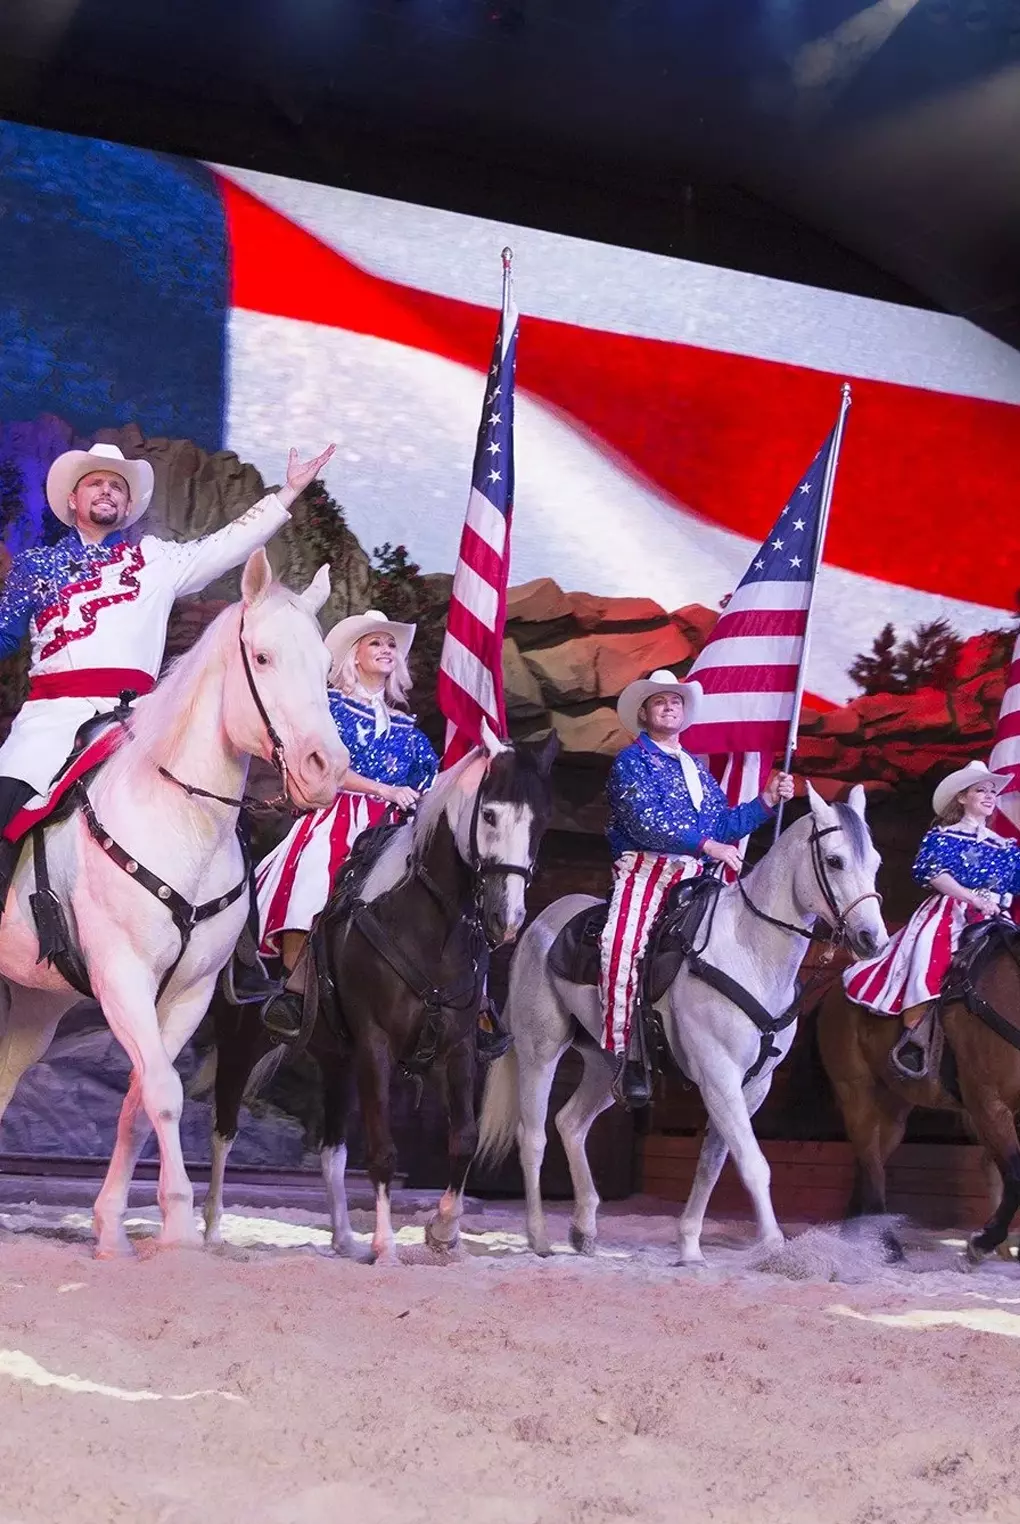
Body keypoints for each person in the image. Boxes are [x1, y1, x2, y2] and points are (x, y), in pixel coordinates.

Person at [0, 439, 335, 948]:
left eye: (117, 485)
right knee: (5, 799)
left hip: (137, 721)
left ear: (128, 505)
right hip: (53, 719)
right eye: (96, 482)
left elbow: (227, 545)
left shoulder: (155, 560)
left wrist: (287, 493)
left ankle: (232, 952)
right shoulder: (35, 567)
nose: (107, 490)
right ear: (73, 499)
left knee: (212, 810)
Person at [255, 610, 510, 1058]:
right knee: (316, 875)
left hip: (394, 826)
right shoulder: (329, 708)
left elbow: (431, 780)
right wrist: (383, 789)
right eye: (376, 643)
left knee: (450, 896)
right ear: (353, 656)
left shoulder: (406, 727)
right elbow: (321, 766)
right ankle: (296, 990)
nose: (387, 650)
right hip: (339, 815)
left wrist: (475, 765)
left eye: (391, 645)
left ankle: (477, 1003)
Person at [601, 669, 794, 1107]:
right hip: (647, 871)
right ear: (645, 714)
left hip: (698, 876)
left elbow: (724, 824)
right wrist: (708, 844)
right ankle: (626, 1053)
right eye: (660, 702)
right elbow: (643, 822)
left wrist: (766, 800)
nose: (670, 706)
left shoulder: (699, 772)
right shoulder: (632, 762)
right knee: (621, 944)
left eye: (676, 701)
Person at [844, 759, 1020, 1078]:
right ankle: (917, 1037)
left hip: (995, 916)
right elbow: (933, 874)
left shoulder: (1006, 845)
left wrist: (998, 901)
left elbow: (1015, 884)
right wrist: (971, 897)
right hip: (950, 912)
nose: (989, 795)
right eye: (981, 789)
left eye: (992, 791)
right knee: (928, 957)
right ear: (962, 798)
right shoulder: (943, 836)